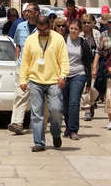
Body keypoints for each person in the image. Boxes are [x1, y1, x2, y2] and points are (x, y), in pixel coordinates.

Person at [20, 15, 70, 152]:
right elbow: (25, 62)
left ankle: (55, 133)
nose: (42, 33)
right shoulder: (30, 40)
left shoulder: (58, 39)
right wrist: (23, 80)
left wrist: (63, 75)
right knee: (37, 114)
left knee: (56, 110)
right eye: (39, 30)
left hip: (54, 81)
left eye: (44, 30)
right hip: (35, 80)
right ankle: (39, 142)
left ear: (50, 25)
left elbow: (64, 60)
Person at [7, 3, 40, 135]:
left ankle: (37, 123)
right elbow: (18, 45)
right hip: (22, 65)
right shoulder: (20, 26)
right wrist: (17, 60)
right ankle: (17, 123)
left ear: (37, 13)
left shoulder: (42, 27)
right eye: (25, 11)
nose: (26, 13)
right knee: (20, 94)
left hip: (38, 66)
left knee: (38, 96)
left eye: (29, 11)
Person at [62, 19, 92, 140]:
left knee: (74, 102)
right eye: (71, 28)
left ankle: (74, 130)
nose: (73, 31)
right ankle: (68, 126)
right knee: (65, 104)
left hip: (79, 75)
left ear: (80, 30)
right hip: (64, 76)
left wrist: (89, 81)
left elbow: (88, 62)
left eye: (76, 29)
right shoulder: (63, 40)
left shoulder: (83, 43)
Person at [92, 13, 111, 129]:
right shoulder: (104, 34)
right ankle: (110, 120)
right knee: (109, 94)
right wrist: (95, 66)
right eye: (110, 22)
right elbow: (99, 52)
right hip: (107, 66)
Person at [79, 13, 101, 120]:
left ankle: (91, 103)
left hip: (95, 63)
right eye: (84, 23)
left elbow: (100, 49)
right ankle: (87, 110)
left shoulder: (97, 34)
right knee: (85, 88)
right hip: (83, 64)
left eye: (89, 22)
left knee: (93, 88)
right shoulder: (79, 35)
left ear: (92, 23)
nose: (87, 25)